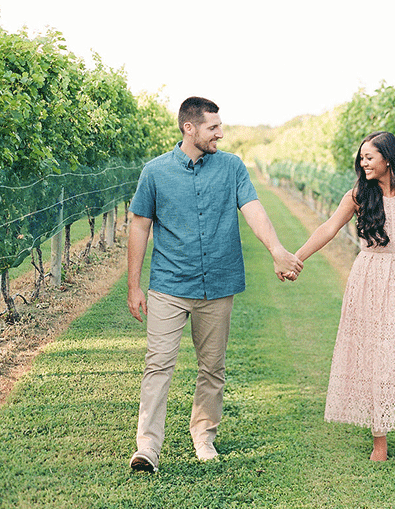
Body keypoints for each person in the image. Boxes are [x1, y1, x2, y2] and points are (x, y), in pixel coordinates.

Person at [127, 96, 302, 472]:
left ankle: (203, 436)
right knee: (158, 364)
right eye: (213, 127)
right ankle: (147, 448)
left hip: (218, 284)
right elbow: (139, 225)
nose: (220, 134)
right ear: (189, 128)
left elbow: (253, 208)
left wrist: (276, 250)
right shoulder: (155, 172)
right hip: (169, 284)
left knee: (212, 367)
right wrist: (133, 285)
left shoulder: (232, 167)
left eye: (219, 127)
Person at [288, 131, 395, 461]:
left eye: (369, 157)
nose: (363, 162)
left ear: (388, 159)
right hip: (371, 279)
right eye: (361, 158)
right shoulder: (359, 194)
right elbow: (328, 228)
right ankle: (379, 442)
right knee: (373, 355)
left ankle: (391, 416)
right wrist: (297, 257)